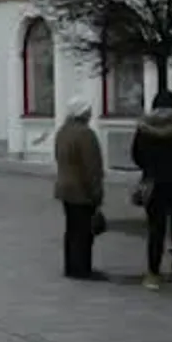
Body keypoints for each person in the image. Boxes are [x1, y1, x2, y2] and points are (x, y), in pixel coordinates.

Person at [132, 90, 172, 291]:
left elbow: (137, 155)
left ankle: (153, 274)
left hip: (154, 183)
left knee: (155, 229)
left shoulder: (145, 128)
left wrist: (150, 168)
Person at [53, 97, 105, 281]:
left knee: (72, 229)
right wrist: (97, 193)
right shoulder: (86, 134)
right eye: (88, 111)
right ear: (83, 113)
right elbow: (92, 166)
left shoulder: (63, 131)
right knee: (84, 231)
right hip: (81, 189)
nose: (90, 114)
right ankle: (82, 268)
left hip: (65, 187)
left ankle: (71, 266)